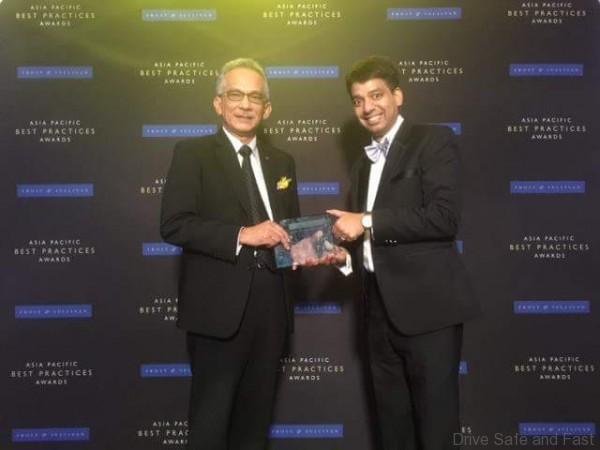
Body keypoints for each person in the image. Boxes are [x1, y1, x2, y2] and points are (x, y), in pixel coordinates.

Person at [327, 56, 481, 450]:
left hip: (429, 310)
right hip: (377, 313)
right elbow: (370, 240)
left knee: (436, 429)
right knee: (392, 429)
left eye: (376, 95)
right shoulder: (363, 165)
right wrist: (346, 259)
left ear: (398, 96)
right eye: (358, 100)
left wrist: (365, 220)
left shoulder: (434, 140)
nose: (367, 107)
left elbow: (443, 218)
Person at [160, 58, 300, 450]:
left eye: (255, 97)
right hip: (218, 311)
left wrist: (320, 249)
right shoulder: (192, 153)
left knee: (254, 429)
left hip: (271, 311)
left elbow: (287, 232)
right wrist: (242, 234)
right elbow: (174, 224)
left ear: (267, 109)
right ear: (218, 103)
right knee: (210, 427)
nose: (245, 104)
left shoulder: (282, 162)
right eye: (235, 95)